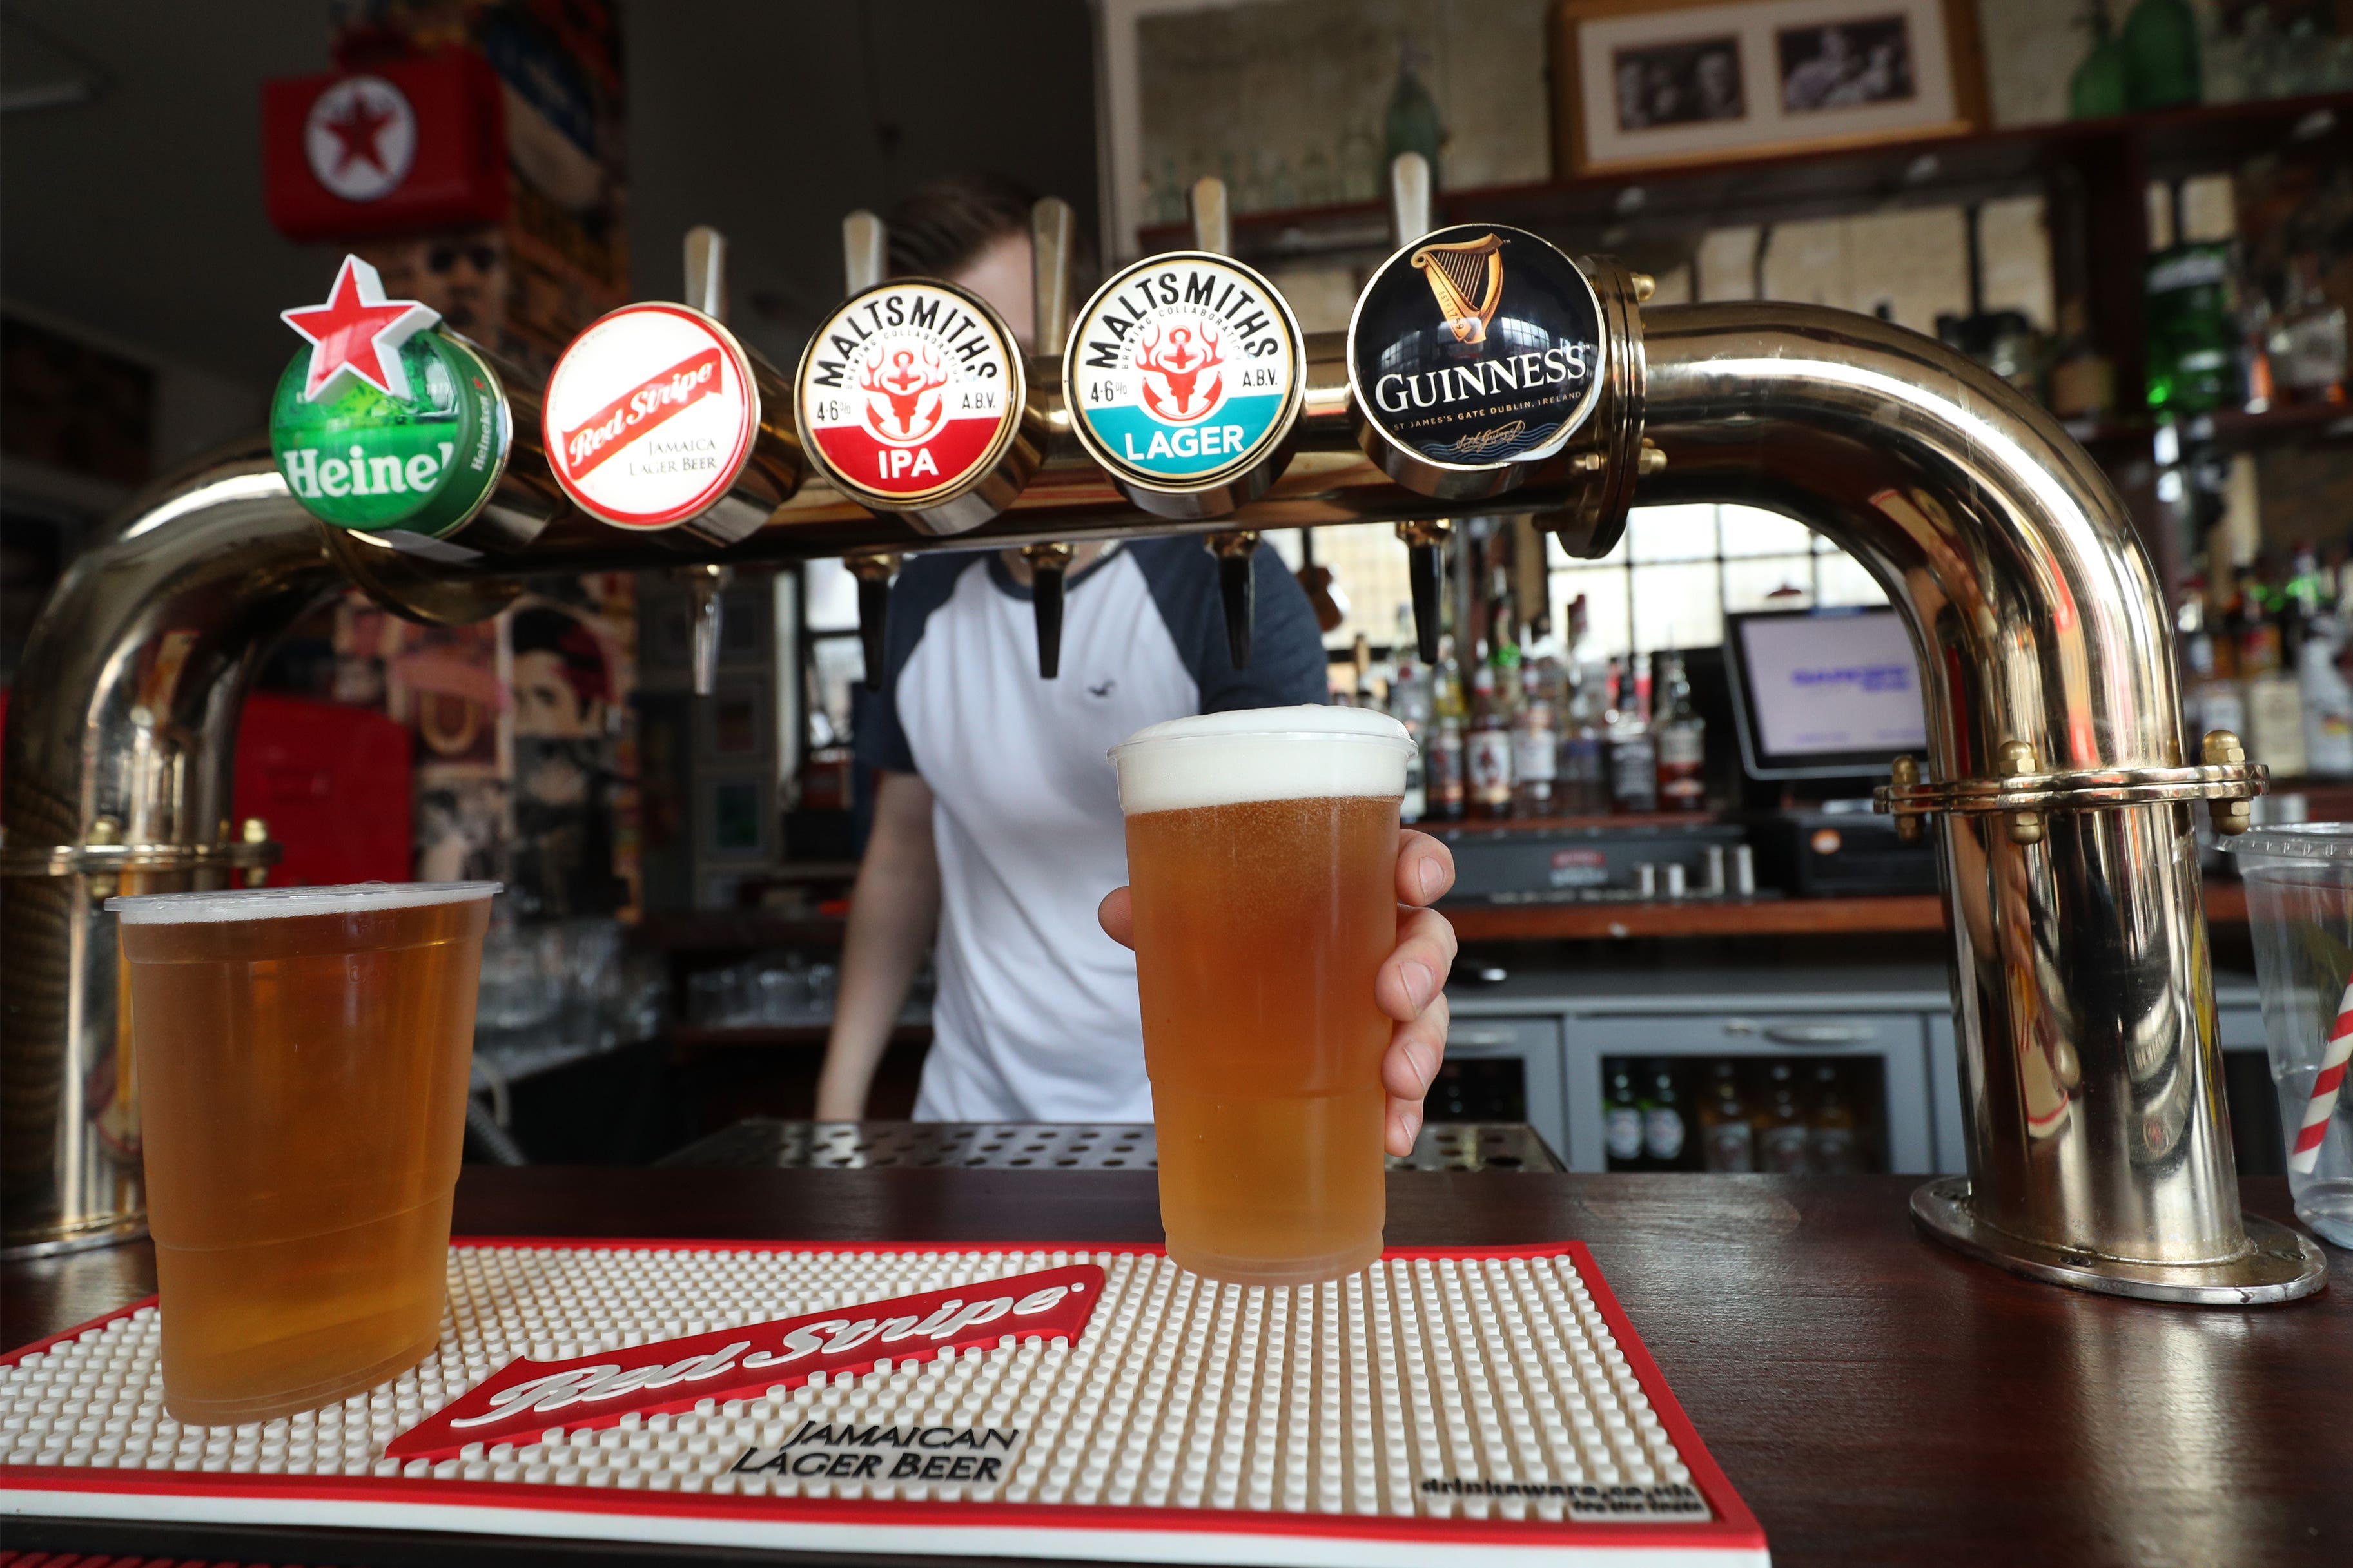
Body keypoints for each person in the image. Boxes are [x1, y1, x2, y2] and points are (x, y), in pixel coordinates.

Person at [815, 174, 1460, 1153]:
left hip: (1187, 1124)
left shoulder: (1223, 585)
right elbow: (902, 854)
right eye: (964, 367)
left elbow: (1301, 885)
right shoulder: (913, 595)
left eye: (1025, 350)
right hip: (968, 1120)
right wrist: (834, 1119)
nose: (1010, 398)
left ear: (1087, 344)